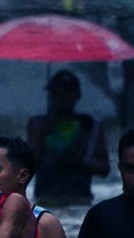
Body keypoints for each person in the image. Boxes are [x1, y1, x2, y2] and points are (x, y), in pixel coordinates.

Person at [27, 70, 109, 205]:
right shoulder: (38, 124)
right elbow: (28, 166)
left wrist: (81, 161)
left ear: (77, 96)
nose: (60, 98)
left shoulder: (91, 126)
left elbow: (104, 169)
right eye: (55, 93)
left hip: (80, 199)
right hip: (45, 199)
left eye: (65, 93)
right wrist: (41, 139)